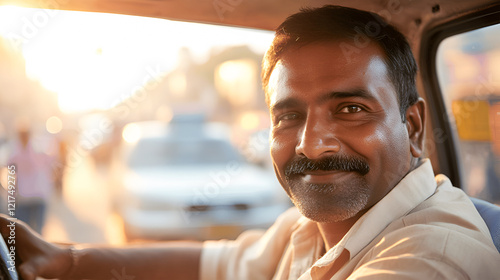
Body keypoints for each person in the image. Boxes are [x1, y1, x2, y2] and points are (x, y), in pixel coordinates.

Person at [1, 5, 499, 280]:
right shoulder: (311, 231)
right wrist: (68, 261)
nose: (313, 145)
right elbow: (211, 264)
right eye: (290, 116)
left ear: (413, 129)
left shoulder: (434, 255)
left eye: (351, 109)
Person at [5, 122, 54, 234]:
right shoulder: (18, 152)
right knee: (31, 233)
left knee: (30, 233)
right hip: (29, 197)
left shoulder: (17, 152)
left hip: (33, 197)